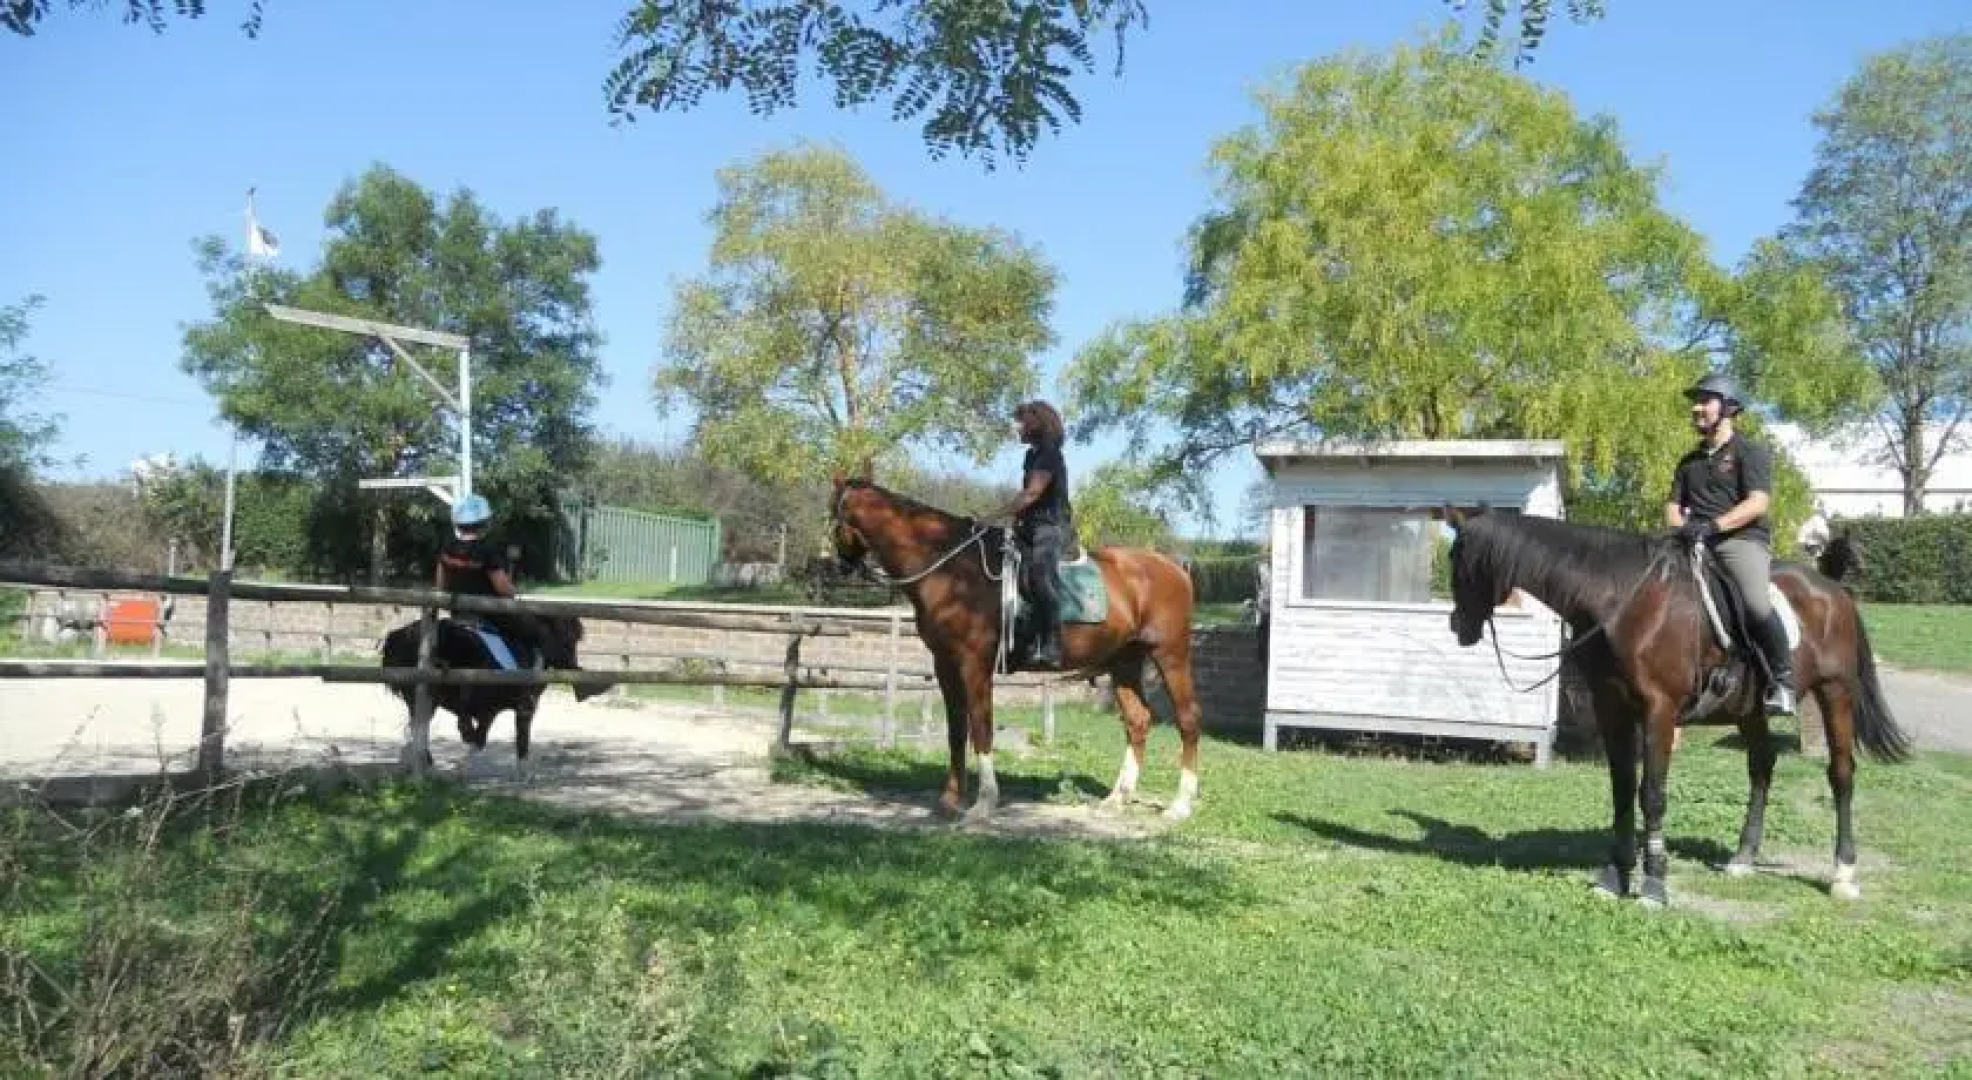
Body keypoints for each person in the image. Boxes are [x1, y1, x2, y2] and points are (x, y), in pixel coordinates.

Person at [1665, 372, 1795, 716]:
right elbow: (1672, 507)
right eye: (1696, 402)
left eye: (1705, 401)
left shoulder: (1750, 452)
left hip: (1740, 541)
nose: (1696, 408)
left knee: (1754, 602)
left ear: (1729, 408)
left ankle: (1782, 682)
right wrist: (1682, 529)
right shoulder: (1688, 462)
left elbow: (1757, 503)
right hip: (1692, 543)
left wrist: (1712, 526)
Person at [994, 400, 1074, 669]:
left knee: (1041, 576)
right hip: (1029, 528)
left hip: (1051, 526)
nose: (1019, 427)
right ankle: (1023, 636)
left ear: (1039, 423)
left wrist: (992, 516)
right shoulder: (1031, 456)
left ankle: (1054, 643)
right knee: (1015, 576)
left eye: (1023, 421)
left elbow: (1032, 494)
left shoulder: (1050, 454)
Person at [436, 492, 541, 665]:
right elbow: (503, 589)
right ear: (485, 524)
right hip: (489, 616)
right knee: (532, 631)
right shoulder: (488, 551)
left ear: (457, 523)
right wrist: (515, 591)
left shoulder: (447, 549)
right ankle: (527, 674)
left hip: (458, 613)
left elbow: (440, 585)